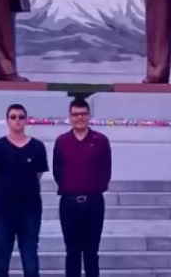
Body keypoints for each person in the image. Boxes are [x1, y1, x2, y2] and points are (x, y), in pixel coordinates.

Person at [0, 103, 49, 277]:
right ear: (7, 121)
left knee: (30, 254)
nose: (17, 120)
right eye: (13, 117)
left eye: (21, 117)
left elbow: (38, 173)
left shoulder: (37, 147)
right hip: (2, 211)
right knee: (1, 254)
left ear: (26, 120)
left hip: (30, 210)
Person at [53, 98, 112, 277]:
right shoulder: (62, 141)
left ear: (89, 116)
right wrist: (69, 187)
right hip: (69, 203)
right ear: (70, 117)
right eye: (75, 114)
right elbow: (57, 170)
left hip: (94, 203)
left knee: (91, 252)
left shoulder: (100, 140)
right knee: (72, 251)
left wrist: (93, 188)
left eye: (83, 114)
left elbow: (106, 170)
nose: (79, 118)